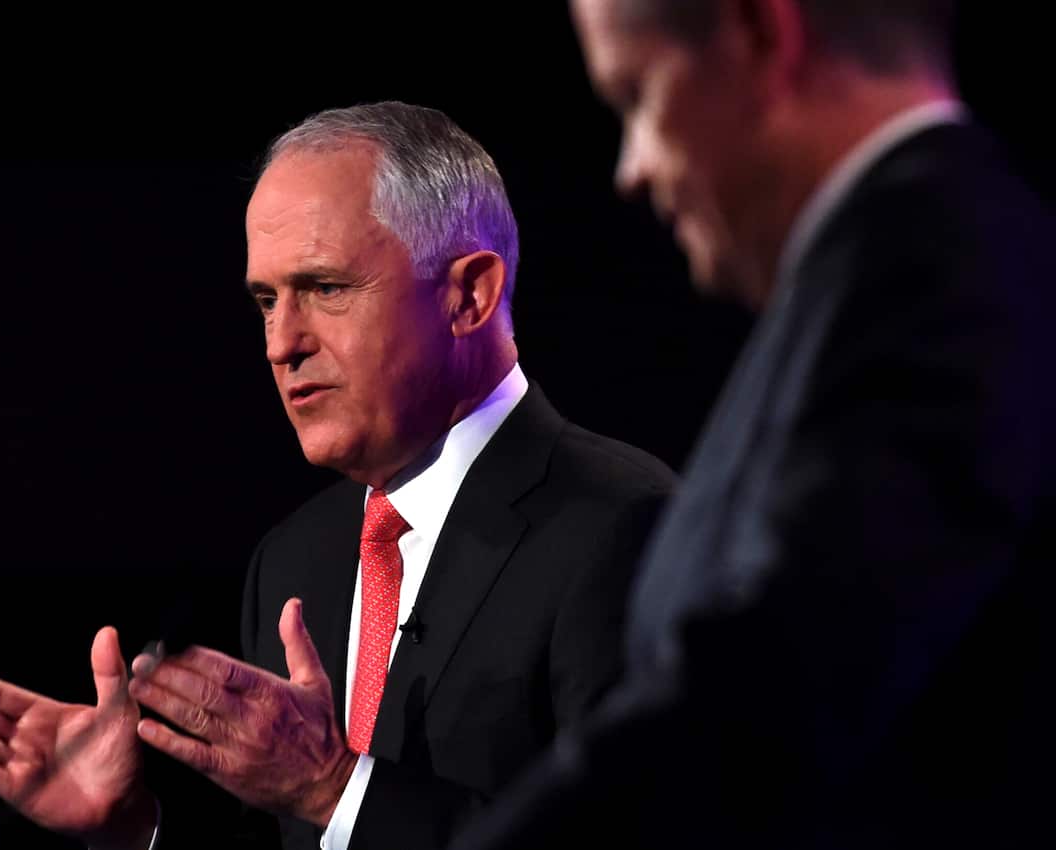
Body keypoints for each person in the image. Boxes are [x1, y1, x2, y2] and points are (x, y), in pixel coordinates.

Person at [0, 101, 675, 850]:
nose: (280, 344)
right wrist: (135, 828)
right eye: (266, 300)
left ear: (468, 295)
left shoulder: (627, 527)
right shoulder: (294, 559)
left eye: (326, 289)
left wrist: (334, 786)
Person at [450, 1, 1056, 847]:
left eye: (636, 96)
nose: (631, 168)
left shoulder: (943, 257)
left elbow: (774, 681)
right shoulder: (878, 275)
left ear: (764, 35)